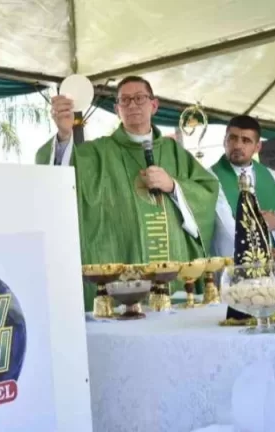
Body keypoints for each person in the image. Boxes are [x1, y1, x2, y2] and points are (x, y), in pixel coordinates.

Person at [35, 76, 219, 310]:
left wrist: (173, 185)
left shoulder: (174, 151)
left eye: (140, 98)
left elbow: (207, 191)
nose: (132, 105)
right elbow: (60, 177)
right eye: (125, 100)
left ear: (154, 105)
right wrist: (64, 135)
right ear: (116, 109)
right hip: (122, 263)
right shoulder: (98, 153)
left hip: (174, 277)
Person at [209, 115, 275, 259]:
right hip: (239, 265)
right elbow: (224, 226)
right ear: (224, 141)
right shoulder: (211, 178)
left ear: (257, 147)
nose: (238, 145)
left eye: (246, 140)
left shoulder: (272, 177)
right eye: (232, 138)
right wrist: (260, 252)